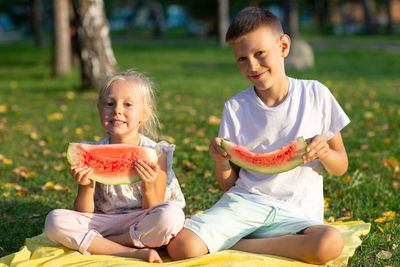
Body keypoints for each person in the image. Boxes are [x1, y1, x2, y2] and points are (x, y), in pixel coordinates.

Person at [167, 6, 349, 265]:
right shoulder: (235, 107)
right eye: (242, 59)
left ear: (283, 46)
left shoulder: (316, 94)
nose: (252, 65)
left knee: (330, 242)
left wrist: (326, 154)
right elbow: (230, 185)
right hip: (244, 205)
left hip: (297, 214)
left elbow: (341, 165)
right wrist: (220, 160)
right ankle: (267, 245)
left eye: (260, 53)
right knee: (181, 247)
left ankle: (240, 244)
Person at [45, 70, 185, 263]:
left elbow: (153, 208)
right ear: (99, 108)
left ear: (145, 114)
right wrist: (85, 186)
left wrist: (148, 186)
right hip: (104, 221)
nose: (117, 110)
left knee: (172, 216)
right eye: (110, 103)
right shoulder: (91, 151)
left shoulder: (156, 152)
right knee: (54, 220)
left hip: (141, 219)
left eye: (128, 104)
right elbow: (84, 213)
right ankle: (130, 251)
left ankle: (103, 245)